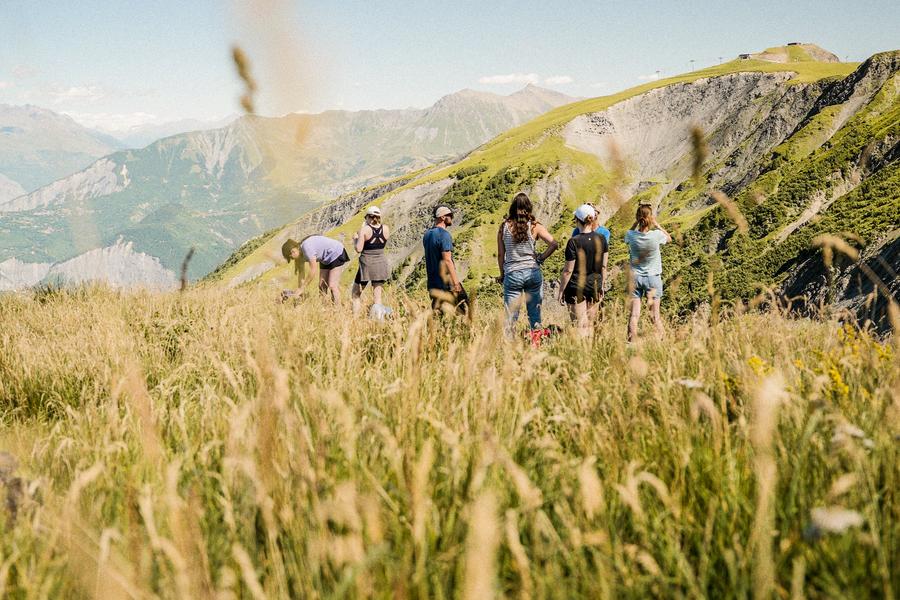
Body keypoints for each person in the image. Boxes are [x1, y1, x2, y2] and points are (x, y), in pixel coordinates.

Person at [497, 192, 558, 332]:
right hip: (532, 272)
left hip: (512, 273)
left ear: (512, 207)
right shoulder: (535, 226)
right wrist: (540, 258)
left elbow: (501, 255)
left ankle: (509, 344)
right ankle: (536, 341)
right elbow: (554, 244)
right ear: (529, 207)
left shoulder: (503, 227)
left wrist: (502, 274)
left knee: (510, 318)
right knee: (535, 315)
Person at [558, 204, 608, 336]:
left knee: (579, 325)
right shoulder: (602, 239)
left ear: (577, 220)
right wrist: (602, 285)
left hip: (576, 286)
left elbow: (568, 271)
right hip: (594, 285)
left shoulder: (573, 242)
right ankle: (590, 348)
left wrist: (561, 290)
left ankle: (580, 348)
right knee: (590, 324)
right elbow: (604, 266)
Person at [625, 204, 672, 341]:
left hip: (635, 277)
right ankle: (663, 342)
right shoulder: (656, 235)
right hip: (653, 278)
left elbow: (628, 233)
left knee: (634, 315)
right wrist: (657, 225)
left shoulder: (631, 235)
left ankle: (631, 342)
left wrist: (636, 222)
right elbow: (669, 238)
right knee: (655, 316)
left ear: (638, 218)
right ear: (650, 218)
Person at [281, 234, 350, 306]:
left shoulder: (306, 247)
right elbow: (301, 274)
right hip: (325, 258)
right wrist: (300, 289)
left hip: (336, 252)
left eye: (291, 257)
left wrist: (302, 288)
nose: (292, 259)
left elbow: (313, 270)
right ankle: (324, 308)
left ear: (293, 251)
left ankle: (337, 309)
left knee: (332, 285)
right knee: (321, 286)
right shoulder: (299, 256)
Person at [423, 205, 467, 315]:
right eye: (449, 215)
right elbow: (447, 260)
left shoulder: (427, 235)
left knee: (439, 315)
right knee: (463, 312)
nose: (452, 217)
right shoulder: (444, 235)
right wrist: (456, 283)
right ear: (442, 217)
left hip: (433, 284)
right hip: (446, 283)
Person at [351, 205, 391, 313]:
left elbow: (359, 249)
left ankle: (355, 317)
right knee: (377, 297)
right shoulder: (386, 228)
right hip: (380, 263)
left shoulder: (364, 230)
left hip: (367, 264)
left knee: (356, 293)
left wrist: (355, 239)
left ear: (368, 217)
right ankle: (378, 317)